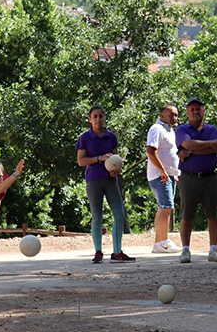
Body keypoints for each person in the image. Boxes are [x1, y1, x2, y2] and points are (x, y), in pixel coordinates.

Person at [76, 106, 134, 263]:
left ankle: (117, 252)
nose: (98, 119)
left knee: (119, 214)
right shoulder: (85, 138)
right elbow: (81, 161)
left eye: (101, 116)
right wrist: (99, 158)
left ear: (104, 117)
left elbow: (115, 159)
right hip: (93, 180)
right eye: (95, 116)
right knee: (97, 216)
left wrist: (116, 170)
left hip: (110, 180)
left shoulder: (111, 137)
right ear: (89, 119)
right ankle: (98, 252)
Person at [175, 97, 217, 263]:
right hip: (188, 178)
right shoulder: (181, 129)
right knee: (187, 215)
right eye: (192, 109)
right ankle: (185, 250)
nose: (195, 112)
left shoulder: (212, 129)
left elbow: (216, 147)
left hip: (210, 177)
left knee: (213, 214)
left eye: (198, 109)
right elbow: (188, 144)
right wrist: (206, 145)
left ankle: (213, 249)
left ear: (204, 111)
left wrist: (190, 151)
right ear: (187, 112)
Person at [146, 103, 182, 254]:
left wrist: (175, 173)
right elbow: (150, 150)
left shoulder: (169, 130)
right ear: (162, 115)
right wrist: (162, 170)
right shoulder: (157, 128)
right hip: (160, 175)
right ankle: (162, 242)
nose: (174, 117)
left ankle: (159, 243)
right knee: (165, 207)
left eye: (176, 115)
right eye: (171, 114)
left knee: (167, 207)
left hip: (169, 175)